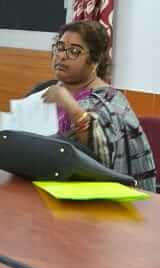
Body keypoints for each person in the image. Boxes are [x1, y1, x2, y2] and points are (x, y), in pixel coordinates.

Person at [16, 21, 154, 190]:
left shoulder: (110, 103)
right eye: (59, 47)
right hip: (41, 183)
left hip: (99, 197)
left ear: (94, 61)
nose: (62, 56)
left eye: (74, 51)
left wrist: (67, 102)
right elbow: (12, 131)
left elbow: (96, 155)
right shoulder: (46, 90)